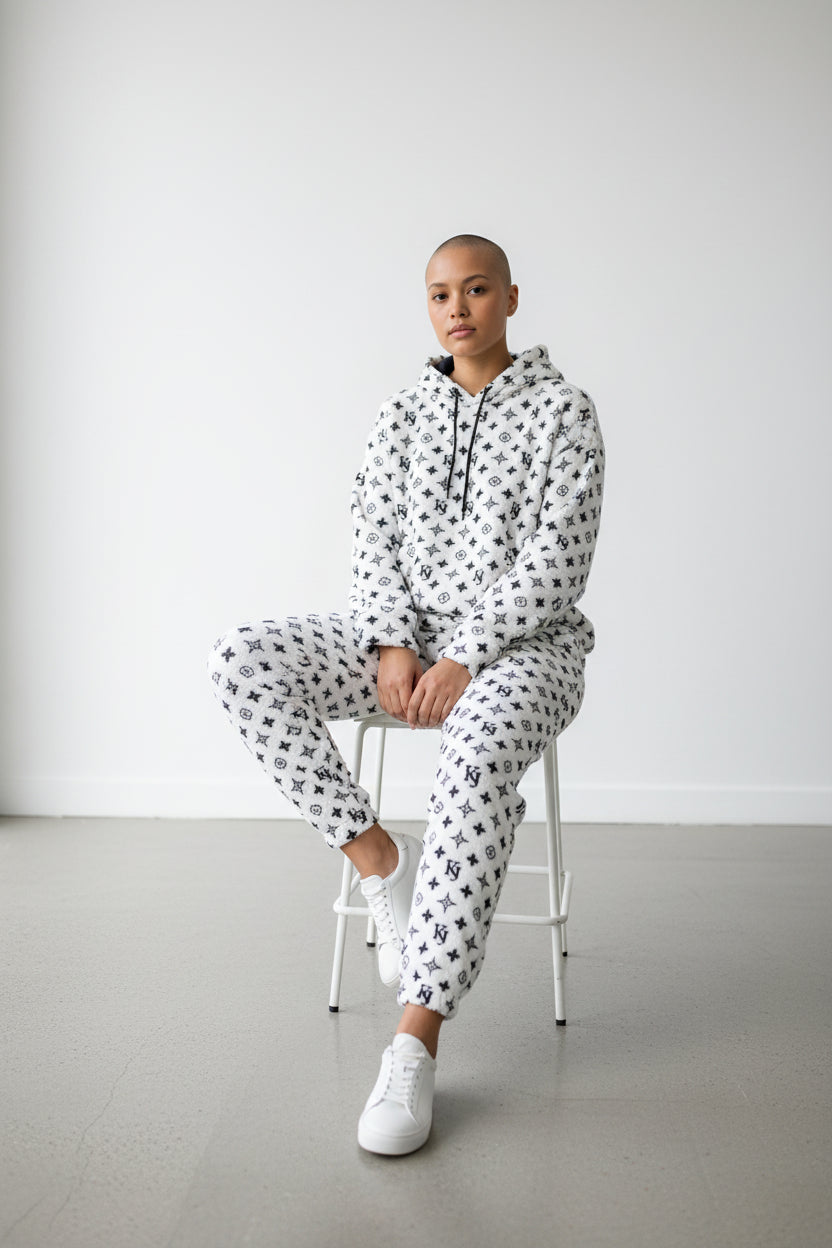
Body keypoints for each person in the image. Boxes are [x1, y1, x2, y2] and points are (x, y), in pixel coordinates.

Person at [207, 234, 605, 1155]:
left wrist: (463, 655)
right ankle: (383, 858)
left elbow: (560, 559)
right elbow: (371, 534)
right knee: (243, 660)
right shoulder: (401, 412)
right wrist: (391, 641)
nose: (456, 308)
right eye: (439, 294)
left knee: (473, 760)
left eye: (476, 289)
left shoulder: (565, 412)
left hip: (527, 652)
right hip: (406, 642)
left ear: (511, 298)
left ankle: (414, 1044)